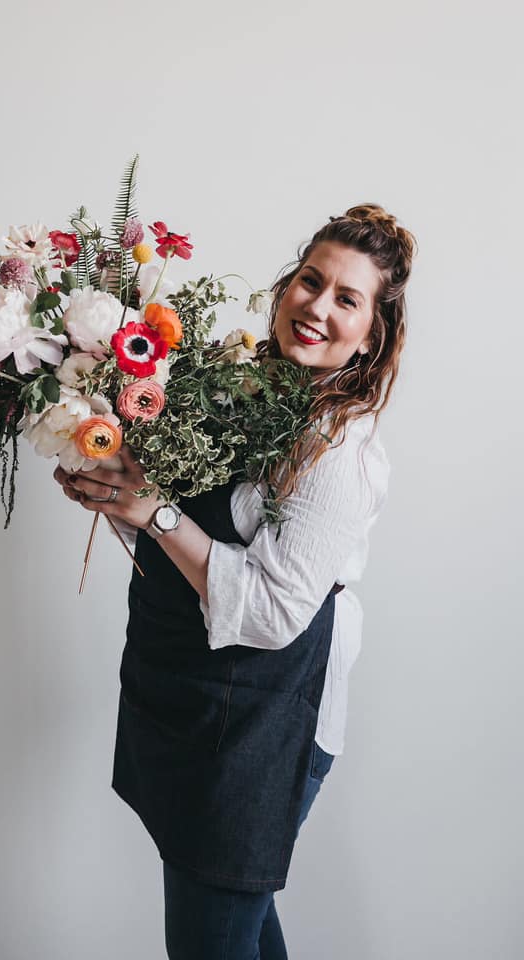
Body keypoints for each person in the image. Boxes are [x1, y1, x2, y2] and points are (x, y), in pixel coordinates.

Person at [53, 204, 417, 959]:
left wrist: (155, 515)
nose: (317, 307)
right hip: (199, 697)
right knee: (229, 925)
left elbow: (275, 612)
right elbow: (189, 533)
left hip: (267, 719)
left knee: (211, 931)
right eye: (311, 281)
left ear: (373, 333)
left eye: (347, 298)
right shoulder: (245, 390)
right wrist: (119, 492)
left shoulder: (338, 453)